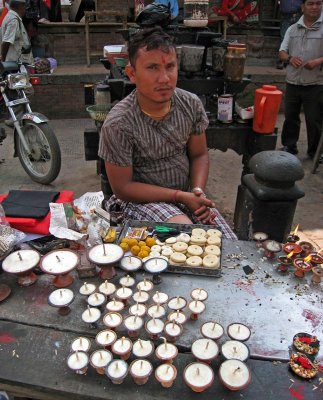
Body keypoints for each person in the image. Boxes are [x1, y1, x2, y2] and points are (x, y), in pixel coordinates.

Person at [98, 27, 236, 239]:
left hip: (185, 195)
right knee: (187, 235)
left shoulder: (190, 104)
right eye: (152, 67)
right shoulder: (119, 123)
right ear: (132, 73)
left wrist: (197, 192)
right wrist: (179, 196)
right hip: (138, 203)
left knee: (226, 241)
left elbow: (199, 155)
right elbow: (123, 188)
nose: (164, 78)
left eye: (170, 66)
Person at [279, 0, 323, 160]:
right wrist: (290, 59)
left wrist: (317, 62)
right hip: (293, 81)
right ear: (303, 7)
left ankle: (315, 152)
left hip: (316, 82)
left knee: (314, 119)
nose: (315, 7)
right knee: (291, 116)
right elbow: (282, 52)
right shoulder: (292, 28)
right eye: (311, 4)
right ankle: (289, 145)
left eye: (318, 3)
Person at [276, 0, 302, 69]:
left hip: (298, 14)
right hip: (285, 15)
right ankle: (281, 60)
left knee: (297, 37)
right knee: (283, 37)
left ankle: (295, 60)